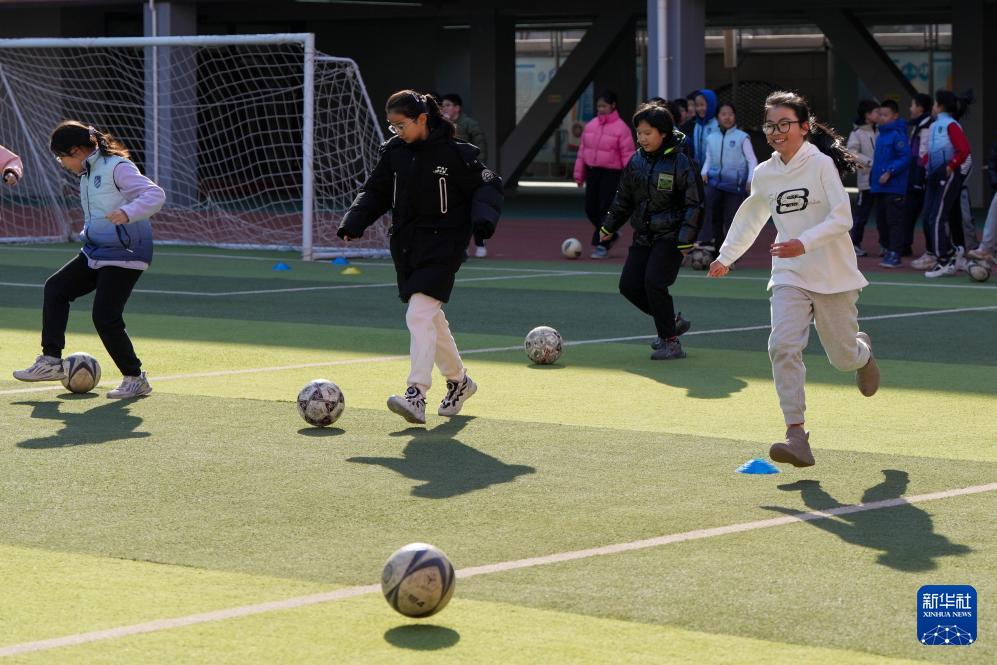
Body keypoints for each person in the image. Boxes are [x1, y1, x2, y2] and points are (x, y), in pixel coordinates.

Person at [708, 91, 880, 468]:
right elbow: (751, 216)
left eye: (784, 123)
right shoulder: (765, 173)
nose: (776, 131)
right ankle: (796, 435)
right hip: (789, 273)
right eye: (770, 125)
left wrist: (804, 242)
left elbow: (842, 218)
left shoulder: (821, 165)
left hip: (833, 275)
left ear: (804, 127)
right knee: (782, 345)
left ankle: (861, 353)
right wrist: (726, 256)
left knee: (842, 359)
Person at [337, 90, 502, 425]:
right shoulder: (394, 152)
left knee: (418, 315)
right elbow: (375, 190)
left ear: (422, 119)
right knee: (430, 318)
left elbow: (488, 185)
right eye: (392, 126)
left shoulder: (456, 154)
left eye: (402, 125)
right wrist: (355, 221)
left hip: (445, 245)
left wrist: (483, 221)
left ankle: (416, 394)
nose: (397, 132)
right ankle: (460, 382)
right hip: (408, 246)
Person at [13, 121, 164, 398]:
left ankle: (135, 378)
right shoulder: (88, 173)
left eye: (61, 158)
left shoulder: (117, 166)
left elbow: (155, 194)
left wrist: (128, 213)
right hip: (96, 251)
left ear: (76, 151)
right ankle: (51, 361)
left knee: (105, 316)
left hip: (126, 252)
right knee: (56, 288)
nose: (62, 164)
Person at [598, 103, 702, 359]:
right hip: (644, 235)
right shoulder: (636, 161)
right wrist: (609, 226)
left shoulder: (681, 162)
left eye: (648, 133)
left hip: (671, 237)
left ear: (663, 133)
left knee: (654, 282)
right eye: (639, 133)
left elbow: (694, 203)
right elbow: (623, 198)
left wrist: (686, 240)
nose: (642, 138)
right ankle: (671, 322)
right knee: (629, 286)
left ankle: (671, 342)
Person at [573, 89, 636, 259]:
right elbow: (582, 151)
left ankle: (602, 244)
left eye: (604, 106)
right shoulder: (591, 125)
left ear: (613, 106)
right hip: (593, 172)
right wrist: (579, 174)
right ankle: (612, 234)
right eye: (599, 106)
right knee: (590, 209)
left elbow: (628, 155)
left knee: (605, 210)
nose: (600, 109)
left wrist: (630, 179)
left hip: (612, 173)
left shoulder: (621, 128)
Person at [919, 90, 973, 278]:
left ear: (940, 106)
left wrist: (951, 166)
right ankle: (951, 251)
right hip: (934, 175)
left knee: (937, 217)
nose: (933, 107)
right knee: (929, 217)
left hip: (947, 174)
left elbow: (964, 150)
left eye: (934, 104)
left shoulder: (951, 125)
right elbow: (931, 151)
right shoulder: (935, 125)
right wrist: (925, 164)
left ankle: (944, 261)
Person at [698, 102, 758, 252]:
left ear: (735, 116)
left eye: (730, 114)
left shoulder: (742, 137)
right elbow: (708, 158)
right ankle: (707, 241)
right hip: (714, 183)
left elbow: (752, 160)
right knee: (706, 207)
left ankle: (732, 251)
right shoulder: (711, 137)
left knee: (732, 218)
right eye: (723, 114)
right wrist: (703, 172)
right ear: (717, 117)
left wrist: (750, 180)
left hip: (735, 185)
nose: (727, 117)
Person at [440, 93, 491, 258]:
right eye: (443, 105)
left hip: (470, 176)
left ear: (457, 108)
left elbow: (481, 148)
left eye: (448, 105)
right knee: (457, 212)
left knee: (475, 211)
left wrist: (476, 170)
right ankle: (462, 245)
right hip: (451, 177)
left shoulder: (469, 124)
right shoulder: (441, 125)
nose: (444, 108)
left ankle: (480, 242)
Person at [869, 99, 910, 268]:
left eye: (885, 115)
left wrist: (890, 171)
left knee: (894, 220)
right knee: (882, 220)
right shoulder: (881, 135)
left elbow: (905, 157)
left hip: (894, 186)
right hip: (880, 186)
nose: (881, 117)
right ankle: (887, 248)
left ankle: (895, 253)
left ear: (895, 116)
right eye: (880, 114)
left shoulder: (897, 135)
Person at [846, 99, 879, 256]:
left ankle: (885, 245)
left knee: (883, 215)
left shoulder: (880, 130)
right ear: (867, 114)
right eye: (876, 112)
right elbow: (851, 153)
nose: (879, 115)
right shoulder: (857, 133)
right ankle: (854, 244)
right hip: (866, 180)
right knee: (862, 214)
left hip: (881, 180)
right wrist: (870, 162)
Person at [906, 93, 935, 267]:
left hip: (921, 176)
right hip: (915, 174)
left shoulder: (927, 126)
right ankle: (904, 246)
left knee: (928, 216)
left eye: (912, 105)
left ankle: (933, 252)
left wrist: (920, 176)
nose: (910, 108)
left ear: (920, 108)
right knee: (909, 212)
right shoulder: (917, 125)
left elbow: (923, 153)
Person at [690, 88, 719, 169]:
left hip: (713, 171)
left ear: (710, 105)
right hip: (699, 170)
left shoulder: (716, 125)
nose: (699, 109)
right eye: (697, 105)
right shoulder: (697, 125)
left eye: (702, 105)